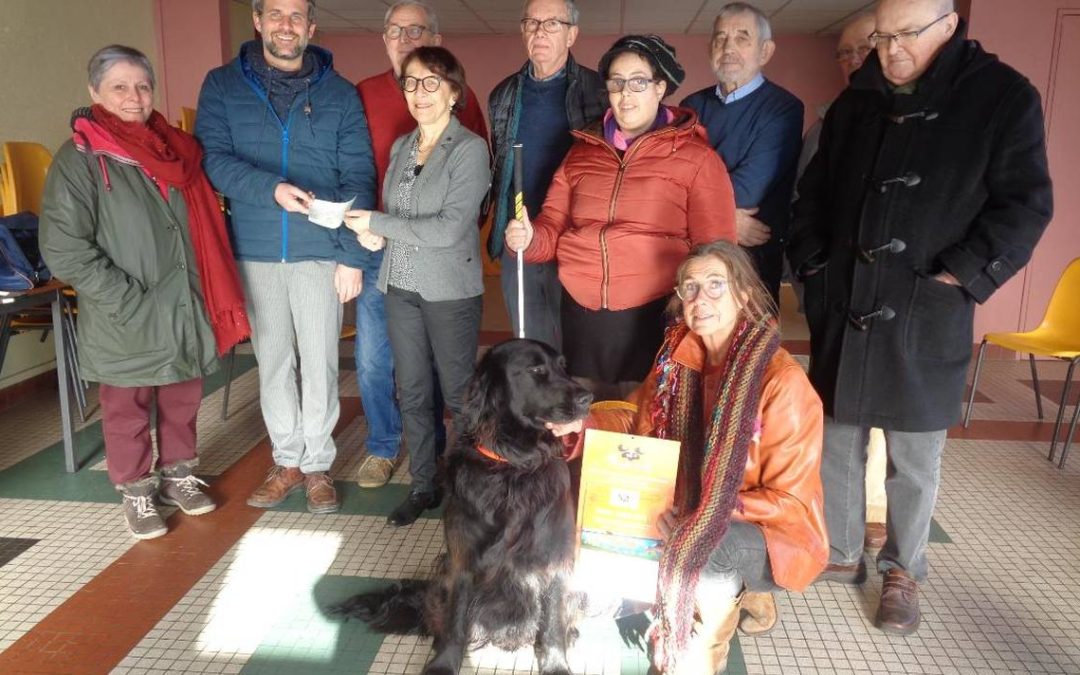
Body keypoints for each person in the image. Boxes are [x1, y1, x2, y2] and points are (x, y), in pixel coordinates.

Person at [789, 0, 1052, 635]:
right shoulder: (859, 99)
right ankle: (844, 550)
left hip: (926, 304)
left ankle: (903, 568)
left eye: (907, 34)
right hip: (846, 296)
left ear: (948, 25)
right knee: (839, 437)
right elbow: (812, 194)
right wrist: (815, 265)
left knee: (915, 455)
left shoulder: (1002, 96)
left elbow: (1026, 204)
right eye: (882, 36)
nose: (891, 49)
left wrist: (958, 275)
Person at [553, 241, 826, 674]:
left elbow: (789, 502)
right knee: (592, 480)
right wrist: (581, 429)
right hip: (681, 505)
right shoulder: (678, 358)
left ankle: (694, 657)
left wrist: (702, 512)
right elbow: (635, 420)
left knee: (708, 544)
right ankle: (628, 591)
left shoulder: (782, 383)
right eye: (690, 287)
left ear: (745, 295)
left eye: (716, 285)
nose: (700, 299)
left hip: (767, 529)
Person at [40, 45, 250, 539]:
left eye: (142, 86)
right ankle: (136, 490)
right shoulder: (80, 159)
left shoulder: (175, 149)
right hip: (125, 309)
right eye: (119, 87)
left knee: (182, 396)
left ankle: (179, 474)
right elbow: (64, 248)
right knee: (126, 406)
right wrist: (125, 298)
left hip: (181, 299)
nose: (134, 97)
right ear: (95, 92)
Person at [196, 0, 376, 514]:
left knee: (320, 364)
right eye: (275, 13)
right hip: (253, 250)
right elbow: (212, 161)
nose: (285, 25)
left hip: (321, 250)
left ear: (311, 27)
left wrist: (350, 257)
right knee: (273, 363)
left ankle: (317, 465)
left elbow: (359, 177)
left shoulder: (340, 95)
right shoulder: (221, 86)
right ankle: (287, 460)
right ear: (257, 21)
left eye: (296, 16)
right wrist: (269, 189)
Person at [505, 35, 737, 400]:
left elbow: (718, 255)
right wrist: (530, 238)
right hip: (581, 312)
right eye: (616, 82)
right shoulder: (581, 153)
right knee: (584, 411)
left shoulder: (698, 159)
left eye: (639, 82)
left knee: (640, 419)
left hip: (655, 311)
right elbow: (552, 225)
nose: (626, 93)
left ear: (660, 87)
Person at [344, 47, 490, 527]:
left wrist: (380, 222)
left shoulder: (469, 149)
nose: (419, 93)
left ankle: (471, 489)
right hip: (400, 284)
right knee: (411, 390)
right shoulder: (402, 147)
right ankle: (424, 485)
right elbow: (399, 219)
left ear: (453, 92)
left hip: (449, 289)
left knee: (457, 394)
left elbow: (449, 228)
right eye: (411, 83)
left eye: (431, 83)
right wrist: (373, 231)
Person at [487, 0, 607, 348]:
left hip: (578, 238)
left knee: (580, 347)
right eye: (532, 23)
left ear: (572, 34)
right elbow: (500, 168)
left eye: (552, 24)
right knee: (531, 346)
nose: (539, 31)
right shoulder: (503, 94)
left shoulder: (600, 92)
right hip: (520, 238)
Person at [680, 2, 804, 306]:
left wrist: (691, 209)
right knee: (692, 349)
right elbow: (673, 180)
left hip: (750, 264)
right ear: (710, 48)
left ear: (765, 51)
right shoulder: (690, 106)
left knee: (751, 349)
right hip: (694, 261)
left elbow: (747, 189)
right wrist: (726, 220)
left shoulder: (783, 109)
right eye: (721, 38)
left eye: (742, 37)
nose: (728, 47)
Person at [797, 10, 876, 178]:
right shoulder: (824, 123)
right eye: (845, 52)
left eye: (864, 49)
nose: (853, 60)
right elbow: (802, 189)